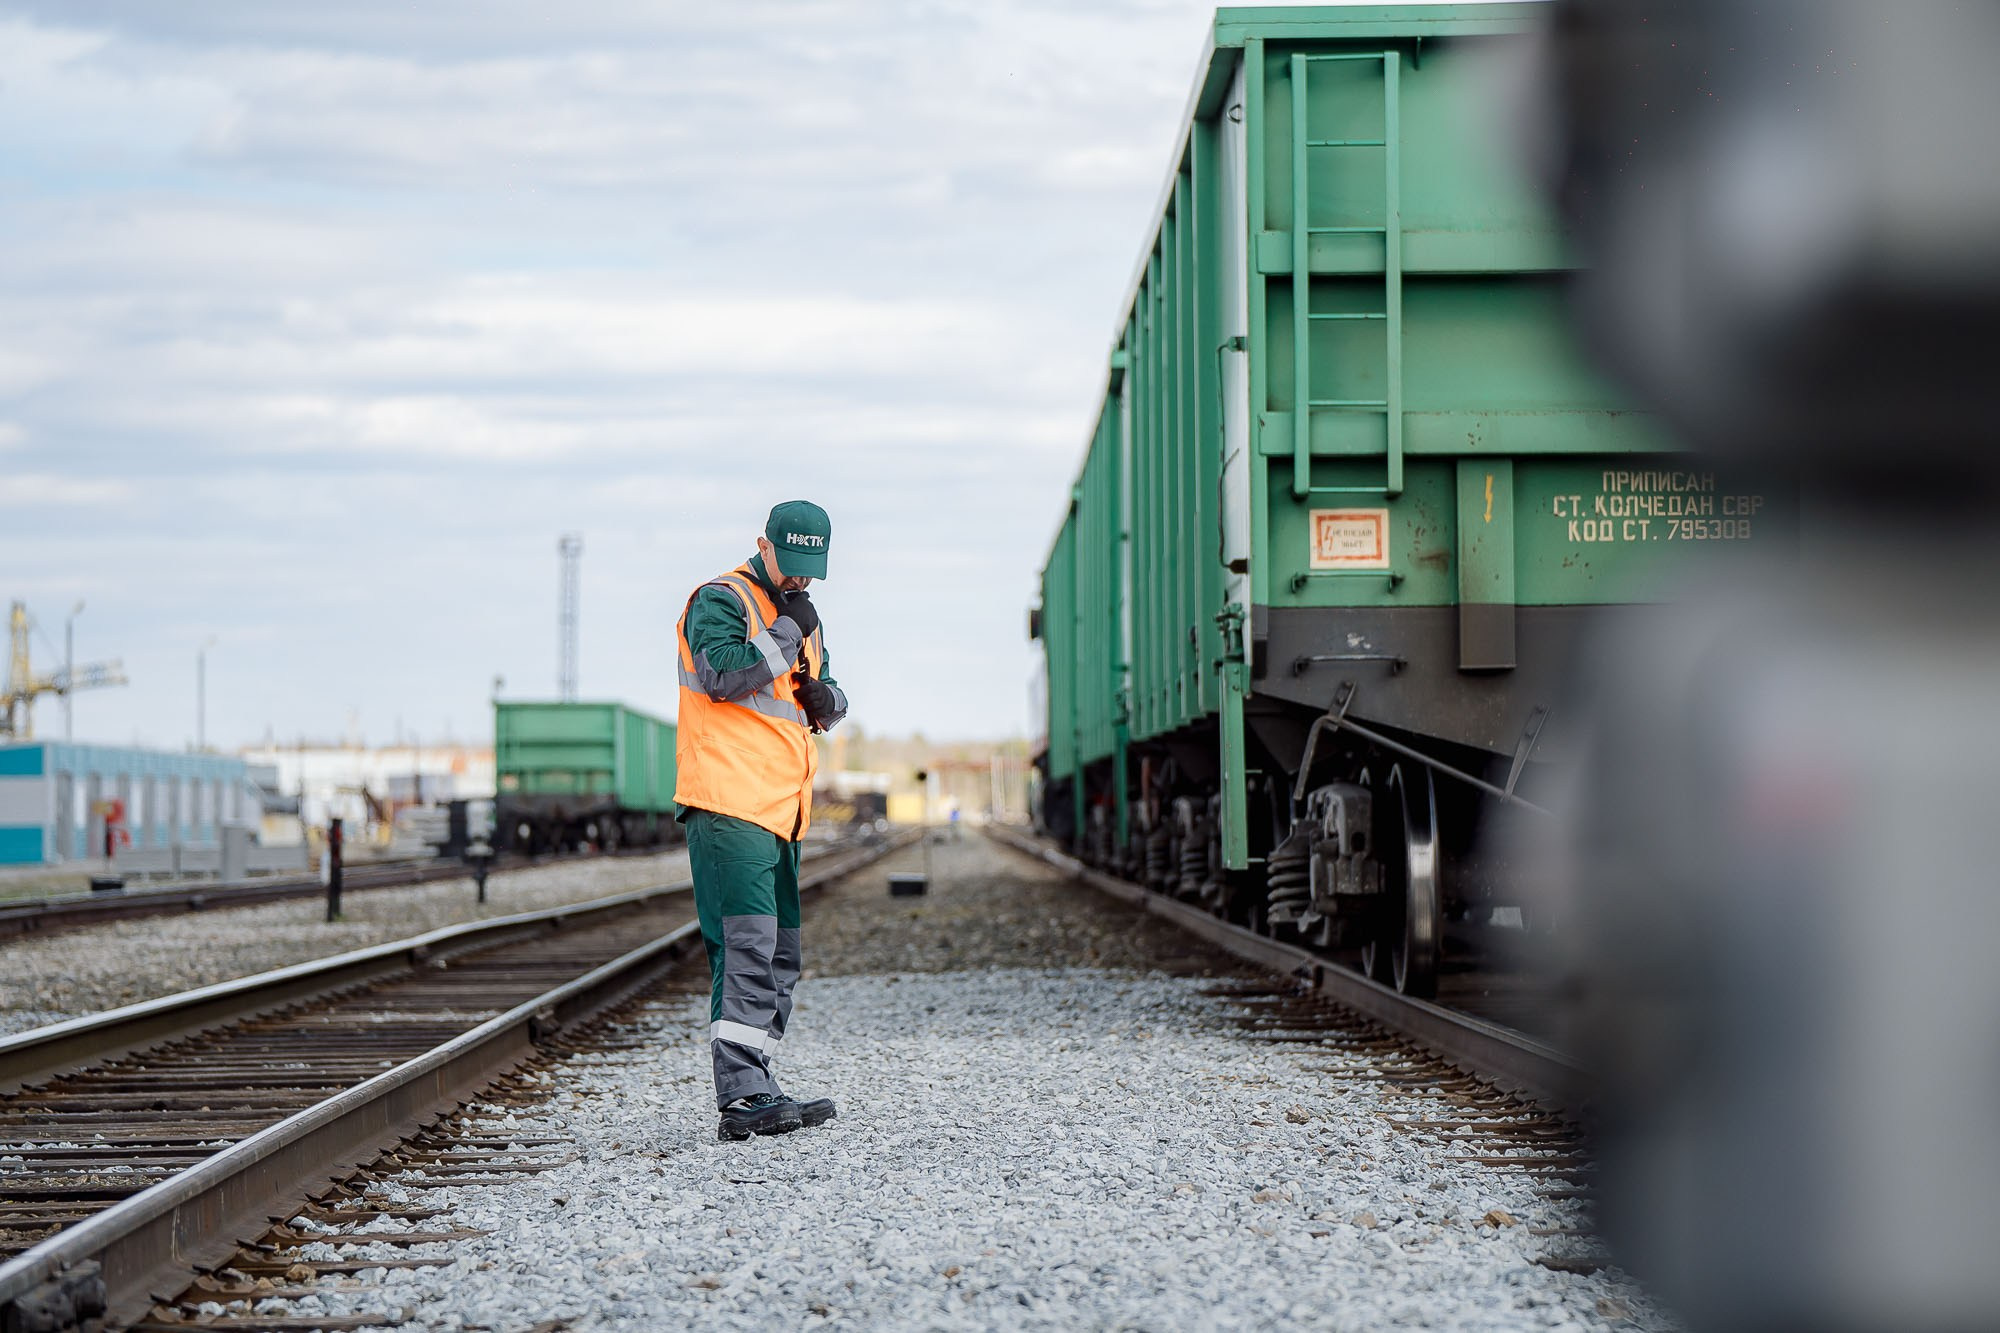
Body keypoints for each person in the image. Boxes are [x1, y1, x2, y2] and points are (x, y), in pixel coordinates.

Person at [674, 500, 849, 1142]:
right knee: (745, 946)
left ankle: (759, 1080)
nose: (800, 580)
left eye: (812, 570)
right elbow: (722, 676)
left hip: (782, 808)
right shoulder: (721, 600)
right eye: (792, 565)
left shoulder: (805, 616)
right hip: (727, 801)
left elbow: (812, 695)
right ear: (763, 546)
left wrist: (830, 700)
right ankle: (741, 1097)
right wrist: (784, 636)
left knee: (780, 953)